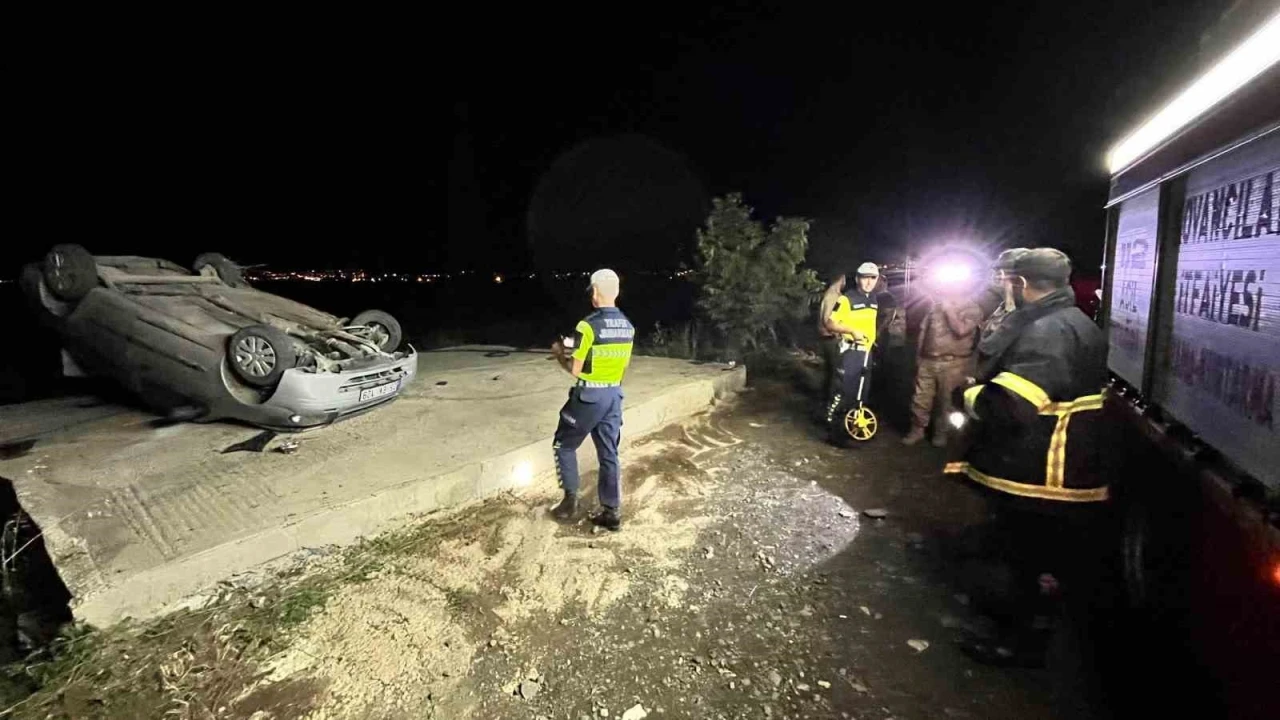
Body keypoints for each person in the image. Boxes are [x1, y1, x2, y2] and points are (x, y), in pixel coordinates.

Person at [943, 248, 1112, 667]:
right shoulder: (1075, 322)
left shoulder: (1048, 332)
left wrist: (967, 394)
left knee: (1024, 558)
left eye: (1006, 281)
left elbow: (1011, 406)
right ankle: (1023, 626)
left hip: (1042, 471)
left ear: (1019, 283)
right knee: (1036, 556)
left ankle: (1016, 643)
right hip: (1064, 468)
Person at [549, 269, 635, 531]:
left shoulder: (587, 326)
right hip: (613, 396)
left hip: (588, 397)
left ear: (595, 292)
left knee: (563, 445)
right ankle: (611, 512)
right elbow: (622, 369)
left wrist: (559, 355)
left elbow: (576, 370)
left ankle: (569, 504)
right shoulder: (628, 327)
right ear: (616, 292)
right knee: (609, 453)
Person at [902, 293, 983, 447]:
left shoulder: (972, 309)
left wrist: (948, 309)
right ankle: (917, 429)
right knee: (920, 398)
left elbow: (961, 330)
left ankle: (941, 433)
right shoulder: (935, 307)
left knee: (946, 400)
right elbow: (924, 332)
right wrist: (919, 357)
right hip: (928, 361)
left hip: (953, 363)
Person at [824, 262, 881, 445]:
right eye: (865, 278)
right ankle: (835, 433)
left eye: (873, 278)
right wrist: (851, 331)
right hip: (850, 352)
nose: (869, 282)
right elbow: (830, 323)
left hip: (866, 353)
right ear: (857, 279)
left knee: (861, 394)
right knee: (843, 393)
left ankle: (853, 429)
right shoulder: (847, 299)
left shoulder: (873, 299)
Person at [817, 273, 847, 406]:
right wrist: (839, 332)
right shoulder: (833, 296)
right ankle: (831, 403)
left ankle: (826, 401)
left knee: (830, 372)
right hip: (830, 338)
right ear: (841, 279)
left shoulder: (830, 294)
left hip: (827, 338)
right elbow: (827, 319)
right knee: (835, 372)